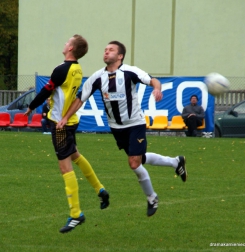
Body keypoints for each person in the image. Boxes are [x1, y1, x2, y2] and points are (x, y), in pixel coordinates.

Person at [56, 40, 187, 217]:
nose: (106, 52)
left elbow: (153, 80)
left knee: (134, 162)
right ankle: (175, 162)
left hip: (135, 124)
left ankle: (152, 197)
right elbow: (80, 99)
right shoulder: (97, 77)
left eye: (111, 50)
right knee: (139, 158)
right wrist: (64, 118)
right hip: (116, 128)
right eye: (105, 50)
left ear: (120, 56)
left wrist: (157, 89)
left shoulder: (130, 71)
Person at [24, 34, 109, 233]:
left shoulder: (61, 69)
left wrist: (31, 107)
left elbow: (46, 90)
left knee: (65, 168)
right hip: (71, 121)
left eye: (67, 42)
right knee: (75, 155)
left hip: (60, 124)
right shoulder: (77, 69)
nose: (65, 43)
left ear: (71, 48)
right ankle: (100, 189)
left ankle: (75, 213)